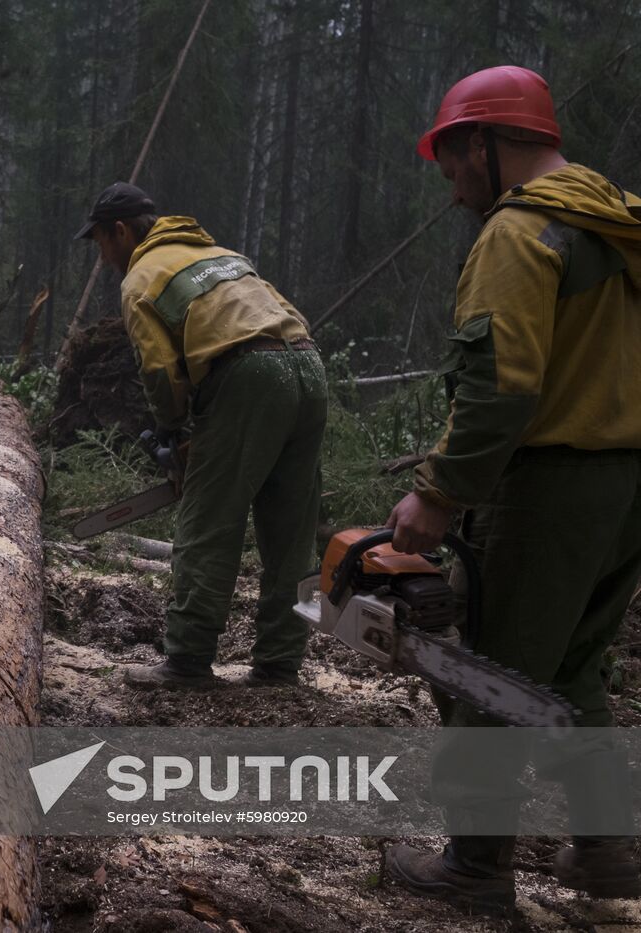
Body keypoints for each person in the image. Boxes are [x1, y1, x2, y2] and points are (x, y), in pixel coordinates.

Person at [381, 65, 641, 912]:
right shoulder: (618, 226)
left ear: (488, 145)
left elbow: (500, 387)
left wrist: (439, 493)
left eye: (457, 167)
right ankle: (607, 851)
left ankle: (475, 865)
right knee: (570, 665)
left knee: (485, 670)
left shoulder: (522, 234)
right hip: (627, 489)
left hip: (549, 489)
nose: (457, 189)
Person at [76, 182, 328, 690]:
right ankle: (280, 663)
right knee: (292, 531)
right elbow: (288, 318)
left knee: (209, 523)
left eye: (102, 242)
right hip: (308, 366)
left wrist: (174, 429)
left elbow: (159, 370)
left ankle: (187, 660)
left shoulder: (141, 277)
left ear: (120, 231)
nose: (103, 257)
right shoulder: (223, 255)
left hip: (250, 376)